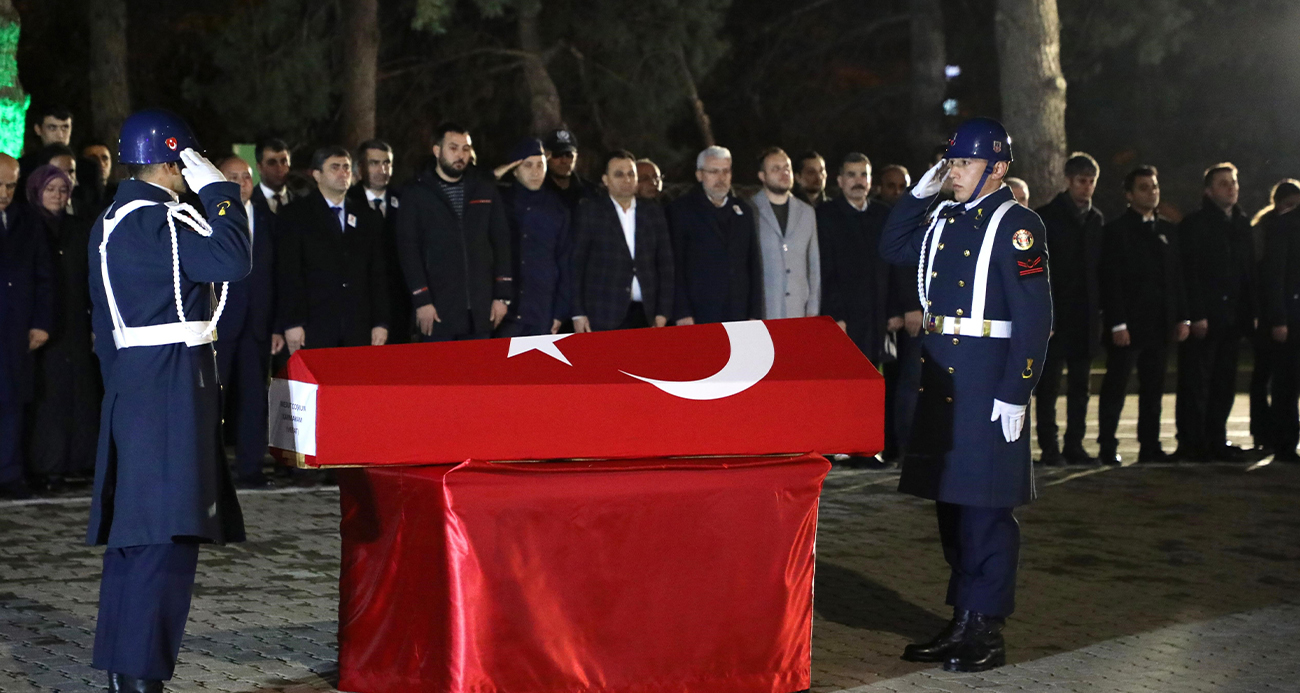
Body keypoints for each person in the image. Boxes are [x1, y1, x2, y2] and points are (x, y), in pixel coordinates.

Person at [880, 117, 1052, 673]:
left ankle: (986, 629)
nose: (953, 172)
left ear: (997, 168)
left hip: (986, 383)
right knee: (953, 507)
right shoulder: (943, 218)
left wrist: (1016, 390)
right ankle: (962, 618)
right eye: (950, 162)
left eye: (964, 163)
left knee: (987, 510)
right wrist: (918, 193)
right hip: (943, 381)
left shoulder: (1018, 225)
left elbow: (1034, 317)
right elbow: (892, 245)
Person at [86, 109, 251, 691]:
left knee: (138, 540)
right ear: (174, 158)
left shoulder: (117, 218)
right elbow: (233, 259)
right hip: (169, 386)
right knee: (167, 538)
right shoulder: (157, 220)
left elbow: (105, 327)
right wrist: (222, 193)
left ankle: (127, 671)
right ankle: (139, 676)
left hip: (141, 382)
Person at [1097, 166, 1189, 465]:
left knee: (1154, 388)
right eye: (1144, 187)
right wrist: (1118, 323)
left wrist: (1181, 317)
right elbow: (1112, 280)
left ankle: (1150, 446)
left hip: (1159, 324)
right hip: (1129, 324)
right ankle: (1107, 446)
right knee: (1117, 386)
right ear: (1129, 194)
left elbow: (1177, 278)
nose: (1152, 192)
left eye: (1154, 187)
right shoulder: (1116, 231)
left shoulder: (1168, 231)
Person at [396, 123, 512, 341]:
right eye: (453, 148)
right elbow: (408, 249)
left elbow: (501, 241)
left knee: (479, 364)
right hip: (438, 311)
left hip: (481, 310)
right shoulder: (416, 193)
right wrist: (422, 300)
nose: (460, 155)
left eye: (465, 149)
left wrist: (502, 295)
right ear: (437, 150)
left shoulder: (484, 188)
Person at [24, 164, 99, 491]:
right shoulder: (27, 226)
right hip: (40, 324)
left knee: (78, 393)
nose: (57, 195)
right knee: (48, 398)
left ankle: (78, 461)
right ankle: (47, 465)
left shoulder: (78, 228)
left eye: (63, 190)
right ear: (36, 191)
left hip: (75, 321)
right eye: (50, 189)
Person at [1174, 162, 1255, 462]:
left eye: (1234, 182)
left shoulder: (1241, 223)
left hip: (1232, 317)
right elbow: (1190, 273)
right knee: (1196, 382)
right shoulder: (1195, 224)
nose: (1231, 188)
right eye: (1224, 183)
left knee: (1224, 382)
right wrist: (1196, 314)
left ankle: (1216, 439)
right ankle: (1192, 442)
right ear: (1208, 191)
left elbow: (1247, 272)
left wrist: (1249, 312)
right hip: (1206, 317)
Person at [277, 146, 389, 352]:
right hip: (313, 325)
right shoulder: (295, 215)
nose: (343, 173)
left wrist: (380, 322)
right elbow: (289, 273)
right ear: (317, 175)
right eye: (335, 167)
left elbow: (377, 273)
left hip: (358, 325)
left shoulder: (368, 216)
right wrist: (293, 322)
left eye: (346, 167)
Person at [1033, 153, 1104, 465]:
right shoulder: (1046, 217)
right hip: (1056, 313)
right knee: (1048, 385)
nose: (1086, 188)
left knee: (1080, 385)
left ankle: (1075, 444)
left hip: (1085, 314)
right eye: (1081, 181)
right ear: (1068, 181)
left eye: (1091, 182)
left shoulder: (1095, 219)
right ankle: (1050, 447)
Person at [213, 155, 278, 487]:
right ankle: (209, 470)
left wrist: (277, 324)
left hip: (257, 324)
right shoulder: (206, 217)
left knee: (254, 398)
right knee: (214, 399)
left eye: (246, 177)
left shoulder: (269, 218)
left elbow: (278, 275)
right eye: (233, 177)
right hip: (218, 324)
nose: (241, 183)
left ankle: (251, 468)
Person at [571, 150, 674, 331]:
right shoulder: (590, 212)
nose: (626, 180)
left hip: (647, 314)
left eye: (631, 174)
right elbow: (576, 265)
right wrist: (578, 313)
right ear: (605, 180)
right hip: (603, 313)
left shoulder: (653, 213)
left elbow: (665, 264)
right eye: (619, 174)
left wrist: (663, 311)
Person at [0, 153, 53, 500]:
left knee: (13, 401)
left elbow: (44, 275)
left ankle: (10, 473)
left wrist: (41, 323)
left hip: (16, 328)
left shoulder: (27, 221)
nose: (4, 193)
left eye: (10, 185)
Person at [667, 145, 762, 326]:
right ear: (699, 175)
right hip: (698, 314)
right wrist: (682, 312)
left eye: (726, 171)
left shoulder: (744, 211)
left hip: (739, 313)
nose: (721, 178)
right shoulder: (680, 211)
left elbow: (753, 265)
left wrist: (754, 313)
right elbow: (675, 266)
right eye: (714, 171)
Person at [496, 138, 572, 337]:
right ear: (514, 170)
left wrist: (560, 311)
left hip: (542, 309)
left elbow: (565, 261)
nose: (535, 172)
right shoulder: (499, 202)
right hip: (504, 310)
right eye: (527, 165)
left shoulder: (557, 208)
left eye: (540, 165)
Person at [1249, 180, 1300, 455]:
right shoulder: (1272, 228)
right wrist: (1276, 317)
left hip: (1281, 313)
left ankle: (1274, 435)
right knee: (1273, 378)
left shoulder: (1279, 226)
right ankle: (1272, 435)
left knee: (1279, 378)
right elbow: (1271, 277)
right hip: (1272, 315)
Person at [347, 139, 412, 343]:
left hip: (399, 305)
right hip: (359, 306)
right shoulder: (347, 203)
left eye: (387, 163)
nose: (382, 170)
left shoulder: (405, 201)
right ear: (360, 168)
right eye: (374, 163)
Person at [751, 147, 820, 319]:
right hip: (763, 311)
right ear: (762, 176)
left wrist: (812, 308)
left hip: (798, 311)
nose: (784, 173)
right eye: (776, 169)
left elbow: (813, 265)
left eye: (787, 168)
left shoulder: (806, 212)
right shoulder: (750, 210)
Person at [543, 128, 599, 212]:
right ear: (546, 157)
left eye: (569, 155)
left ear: (576, 157)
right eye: (557, 155)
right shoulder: (537, 191)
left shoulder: (590, 193)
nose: (564, 160)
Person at [20, 105, 73, 176]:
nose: (60, 135)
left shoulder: (85, 168)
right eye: (52, 128)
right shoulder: (23, 167)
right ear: (38, 129)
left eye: (65, 128)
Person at [251, 138, 293, 214]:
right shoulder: (247, 202)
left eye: (284, 162)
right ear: (259, 167)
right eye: (272, 163)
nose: (279, 168)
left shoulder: (302, 203)